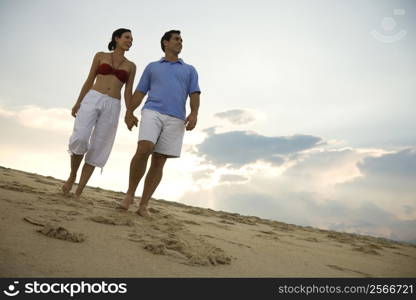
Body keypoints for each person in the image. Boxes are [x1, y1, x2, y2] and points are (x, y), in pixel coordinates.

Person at [120, 30, 201, 217]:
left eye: (181, 40)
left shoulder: (190, 69)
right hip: (152, 111)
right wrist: (129, 111)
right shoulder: (152, 67)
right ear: (165, 43)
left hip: (176, 118)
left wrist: (194, 113)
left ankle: (143, 205)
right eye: (176, 39)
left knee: (159, 161)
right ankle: (130, 194)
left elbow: (194, 94)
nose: (180, 42)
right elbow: (140, 92)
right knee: (144, 148)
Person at [62, 28, 136, 200]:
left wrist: (129, 112)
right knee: (80, 137)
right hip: (93, 98)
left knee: (99, 146)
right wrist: (78, 101)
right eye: (127, 37)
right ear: (116, 38)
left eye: (132, 39)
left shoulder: (131, 66)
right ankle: (73, 174)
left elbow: (128, 92)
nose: (130, 41)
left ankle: (79, 190)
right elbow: (89, 80)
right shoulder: (100, 55)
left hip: (113, 104)